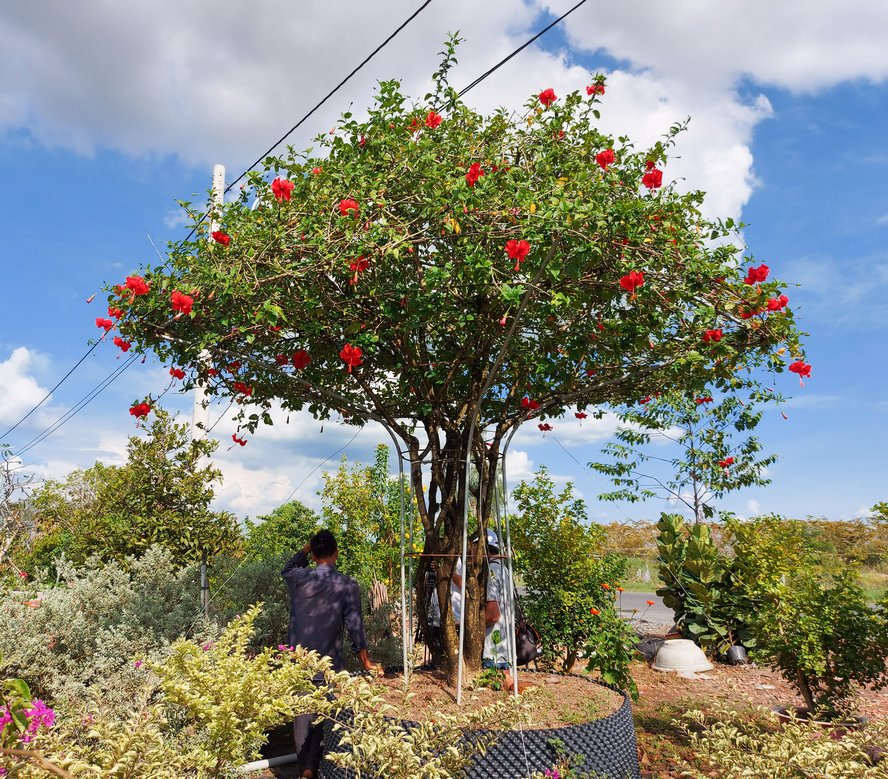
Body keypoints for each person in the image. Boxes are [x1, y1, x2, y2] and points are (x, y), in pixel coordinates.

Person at [282, 529, 379, 779]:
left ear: (313, 556)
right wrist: (366, 661)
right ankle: (313, 767)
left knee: (302, 717)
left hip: (299, 662)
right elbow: (355, 625)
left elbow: (288, 567)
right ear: (336, 554)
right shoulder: (346, 584)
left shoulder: (299, 578)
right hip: (329, 663)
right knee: (325, 715)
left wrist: (306, 549)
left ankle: (306, 768)